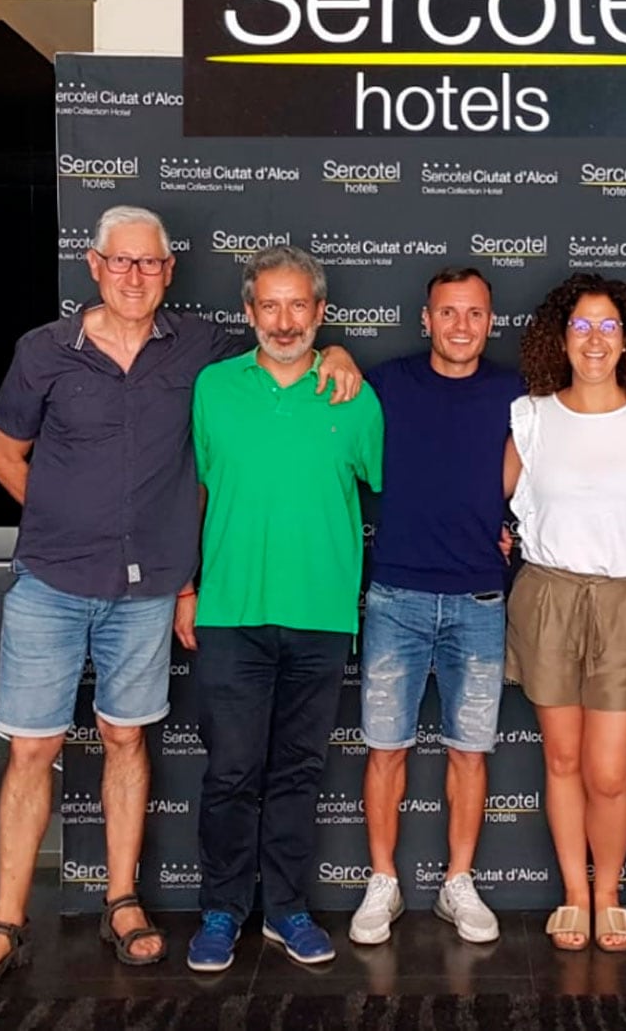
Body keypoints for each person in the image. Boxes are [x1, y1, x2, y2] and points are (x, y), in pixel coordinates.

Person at [0, 208, 361, 995]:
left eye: (151, 264)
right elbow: (2, 453)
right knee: (33, 748)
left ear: (169, 271)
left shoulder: (201, 347)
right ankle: (4, 921)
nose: (135, 276)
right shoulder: (43, 351)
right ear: (95, 265)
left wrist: (340, 350)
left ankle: (123, 901)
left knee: (125, 741)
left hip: (147, 589)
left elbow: (288, 346)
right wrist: (67, 521)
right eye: (121, 263)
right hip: (53, 582)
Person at [183, 245, 384, 973]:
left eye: (300, 304)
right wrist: (184, 587)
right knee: (232, 769)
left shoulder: (351, 394)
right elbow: (194, 495)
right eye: (269, 304)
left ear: (321, 311)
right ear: (248, 311)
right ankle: (221, 910)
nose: (284, 319)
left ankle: (288, 908)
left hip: (322, 613)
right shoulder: (212, 387)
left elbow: (395, 479)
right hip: (231, 610)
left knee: (299, 769)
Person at [349, 268, 524, 946]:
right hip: (395, 595)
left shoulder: (516, 393)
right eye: (448, 312)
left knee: (469, 751)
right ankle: (383, 882)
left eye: (473, 313)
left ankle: (457, 882)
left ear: (489, 320)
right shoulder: (386, 383)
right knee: (384, 747)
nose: (460, 325)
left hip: (480, 596)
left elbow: (568, 453)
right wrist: (335, 354)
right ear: (426, 319)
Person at [502, 272, 626, 953]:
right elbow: (498, 498)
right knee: (562, 756)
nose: (594, 339)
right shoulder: (531, 415)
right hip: (548, 593)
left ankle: (611, 894)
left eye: (608, 326)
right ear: (559, 338)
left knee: (609, 770)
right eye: (581, 326)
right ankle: (576, 892)